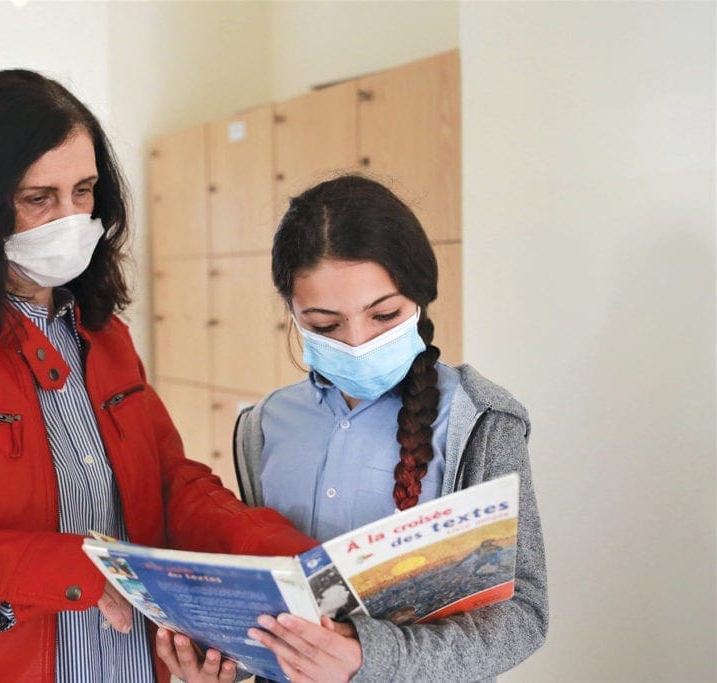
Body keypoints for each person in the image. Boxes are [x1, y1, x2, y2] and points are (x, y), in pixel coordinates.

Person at [0, 69, 316, 682]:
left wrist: (276, 552)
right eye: (38, 199)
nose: (71, 218)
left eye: (84, 191)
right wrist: (49, 566)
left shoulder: (105, 335)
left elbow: (168, 487)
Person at [158, 175, 548, 682]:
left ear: (420, 299)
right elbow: (275, 599)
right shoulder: (264, 426)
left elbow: (523, 618)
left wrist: (367, 657)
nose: (358, 341)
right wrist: (228, 662)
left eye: (384, 315)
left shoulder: (481, 421)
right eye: (325, 325)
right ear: (293, 314)